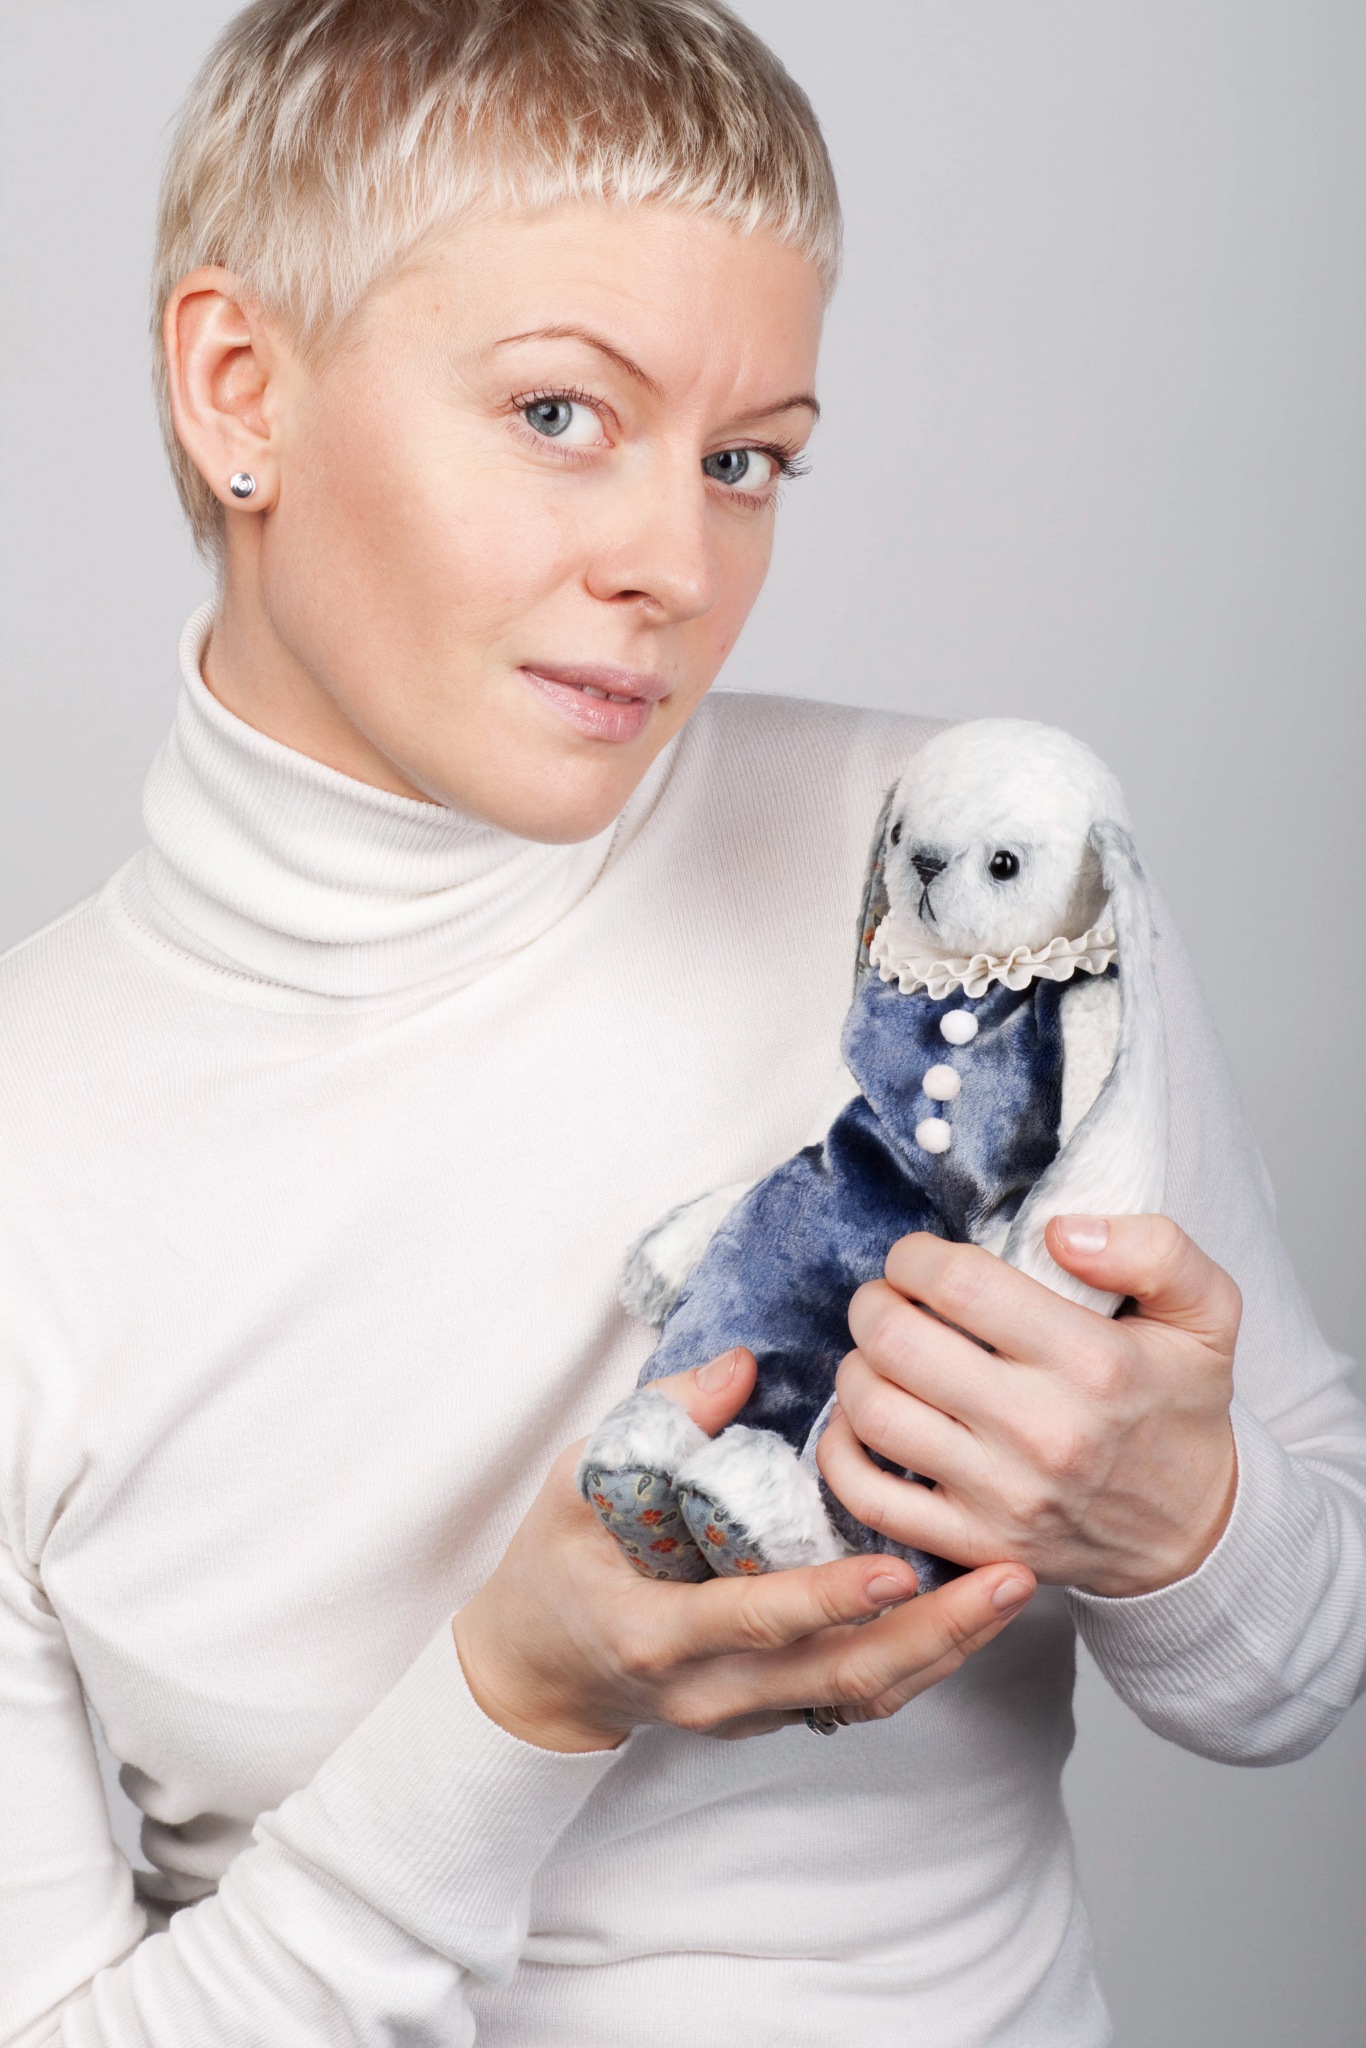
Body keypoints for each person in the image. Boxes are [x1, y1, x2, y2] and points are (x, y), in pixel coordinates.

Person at [0, 1, 1361, 2041]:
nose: (673, 563)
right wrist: (512, 1707)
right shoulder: (29, 1152)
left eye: (745, 462)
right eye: (560, 412)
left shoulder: (964, 871)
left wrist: (1186, 1522)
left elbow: (1301, 1665)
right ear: (237, 387)